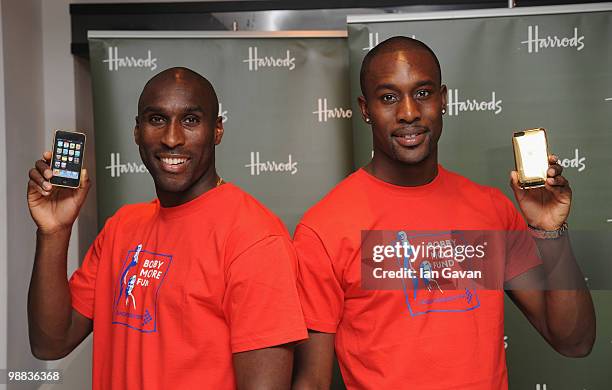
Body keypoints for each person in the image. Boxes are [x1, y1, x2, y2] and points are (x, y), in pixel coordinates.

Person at [291, 37, 595, 389]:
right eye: (389, 97)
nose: (408, 111)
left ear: (443, 100)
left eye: (422, 93)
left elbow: (574, 341)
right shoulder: (324, 228)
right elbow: (311, 381)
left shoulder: (491, 210)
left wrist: (549, 231)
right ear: (364, 109)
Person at [27, 67, 307, 389]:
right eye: (157, 119)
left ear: (217, 130)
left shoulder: (255, 239)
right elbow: (50, 342)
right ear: (137, 131)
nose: (172, 138)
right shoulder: (121, 227)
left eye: (190, 120)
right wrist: (54, 231)